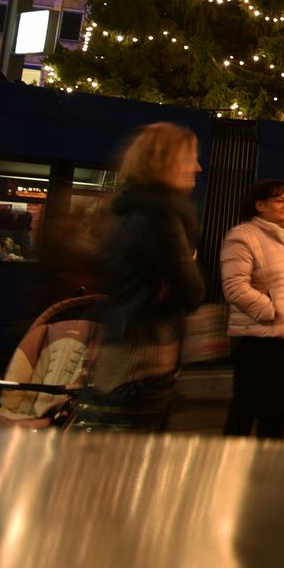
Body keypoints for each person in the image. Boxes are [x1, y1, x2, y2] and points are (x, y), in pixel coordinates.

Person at [73, 121, 206, 432]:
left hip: (126, 343)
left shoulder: (130, 211)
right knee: (128, 455)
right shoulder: (159, 218)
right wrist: (173, 286)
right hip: (142, 353)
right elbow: (193, 291)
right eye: (190, 158)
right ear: (166, 161)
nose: (198, 168)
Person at [219, 179, 284, 439]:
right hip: (259, 340)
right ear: (260, 205)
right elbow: (234, 287)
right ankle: (226, 467)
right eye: (279, 200)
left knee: (276, 413)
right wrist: (272, 311)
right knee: (245, 411)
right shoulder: (243, 236)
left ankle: (269, 469)